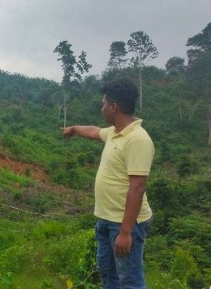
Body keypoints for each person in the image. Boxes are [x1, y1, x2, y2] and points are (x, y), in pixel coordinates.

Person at [61, 79, 154, 289]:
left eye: (104, 103)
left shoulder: (138, 139)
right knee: (109, 277)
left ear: (114, 107)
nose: (102, 107)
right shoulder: (114, 132)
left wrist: (125, 232)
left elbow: (138, 188)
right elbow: (94, 131)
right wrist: (74, 129)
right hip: (105, 220)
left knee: (130, 282)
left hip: (124, 224)